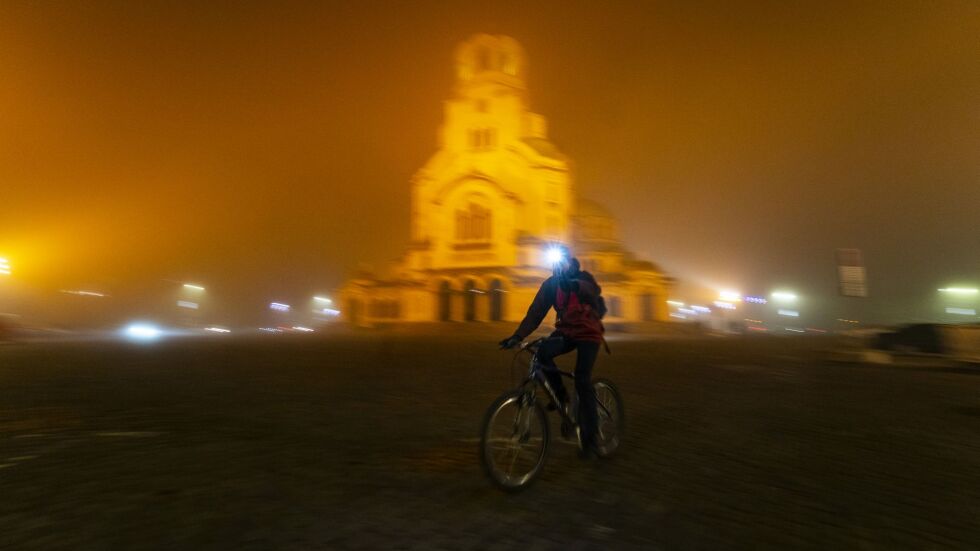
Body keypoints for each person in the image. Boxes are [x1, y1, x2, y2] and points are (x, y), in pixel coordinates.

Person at [498, 245, 606, 458]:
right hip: (566, 331)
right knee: (541, 352)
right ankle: (561, 396)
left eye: (562, 261)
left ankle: (591, 440)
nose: (559, 265)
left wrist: (574, 285)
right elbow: (535, 312)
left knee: (583, 380)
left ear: (569, 261)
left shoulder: (583, 278)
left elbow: (592, 291)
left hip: (588, 333)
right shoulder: (551, 285)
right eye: (555, 262)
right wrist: (517, 336)